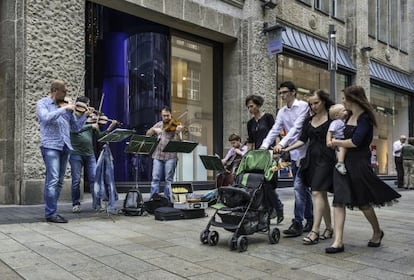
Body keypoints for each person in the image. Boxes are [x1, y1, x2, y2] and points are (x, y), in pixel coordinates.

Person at [327, 85, 401, 254]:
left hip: (359, 164)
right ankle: (338, 241)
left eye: (345, 98)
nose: (343, 101)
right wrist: (339, 155)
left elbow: (355, 141)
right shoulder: (348, 117)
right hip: (343, 163)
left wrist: (336, 142)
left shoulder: (365, 119)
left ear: (353, 99)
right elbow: (346, 139)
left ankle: (377, 231)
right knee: (339, 200)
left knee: (363, 203)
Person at [260, 81, 313, 237]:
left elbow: (297, 128)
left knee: (298, 187)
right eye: (280, 93)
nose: (282, 95)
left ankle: (297, 222)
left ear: (293, 92)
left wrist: (281, 144)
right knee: (303, 188)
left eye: (285, 92)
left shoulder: (303, 106)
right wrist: (264, 146)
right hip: (294, 153)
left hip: (306, 152)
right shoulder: (282, 111)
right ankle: (310, 219)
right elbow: (275, 129)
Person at [282, 89, 335, 245]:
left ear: (324, 101)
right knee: (321, 195)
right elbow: (302, 140)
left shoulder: (332, 119)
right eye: (311, 104)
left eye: (316, 103)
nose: (313, 106)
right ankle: (329, 228)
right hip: (311, 160)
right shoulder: (308, 120)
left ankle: (315, 231)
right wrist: (286, 149)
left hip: (326, 159)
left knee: (317, 192)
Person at [36, 80, 90, 223]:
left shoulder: (67, 107)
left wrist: (85, 116)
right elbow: (45, 118)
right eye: (64, 91)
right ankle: (50, 213)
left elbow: (76, 128)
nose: (67, 94)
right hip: (51, 146)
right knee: (52, 179)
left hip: (65, 146)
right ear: (55, 91)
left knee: (59, 181)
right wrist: (63, 109)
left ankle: (52, 211)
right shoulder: (43, 103)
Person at [69, 96, 119, 213]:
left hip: (89, 153)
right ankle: (76, 204)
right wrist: (89, 124)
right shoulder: (73, 117)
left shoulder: (92, 119)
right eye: (86, 105)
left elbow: (100, 137)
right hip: (75, 153)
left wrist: (110, 128)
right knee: (76, 180)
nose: (89, 108)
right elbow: (74, 129)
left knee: (94, 179)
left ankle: (97, 204)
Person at [245, 94, 284, 224]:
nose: (250, 109)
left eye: (252, 106)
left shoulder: (268, 117)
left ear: (258, 105)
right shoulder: (250, 123)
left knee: (268, 183)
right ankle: (266, 211)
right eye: (248, 107)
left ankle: (277, 208)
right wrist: (247, 157)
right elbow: (250, 141)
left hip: (271, 154)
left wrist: (277, 150)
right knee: (260, 183)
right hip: (258, 156)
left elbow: (276, 133)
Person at [146, 106, 184, 201]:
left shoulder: (176, 125)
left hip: (170, 156)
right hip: (157, 156)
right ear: (161, 115)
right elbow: (148, 134)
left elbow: (179, 142)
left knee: (169, 180)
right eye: (164, 116)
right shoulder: (158, 124)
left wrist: (177, 133)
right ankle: (153, 200)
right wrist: (154, 130)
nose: (166, 118)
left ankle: (167, 200)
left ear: (171, 115)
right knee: (155, 179)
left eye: (167, 116)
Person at [326, 104, 348, 175]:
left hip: (343, 139)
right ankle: (340, 163)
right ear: (336, 115)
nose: (346, 111)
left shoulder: (344, 121)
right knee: (341, 148)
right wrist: (328, 141)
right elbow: (329, 132)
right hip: (338, 139)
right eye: (344, 110)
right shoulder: (335, 123)